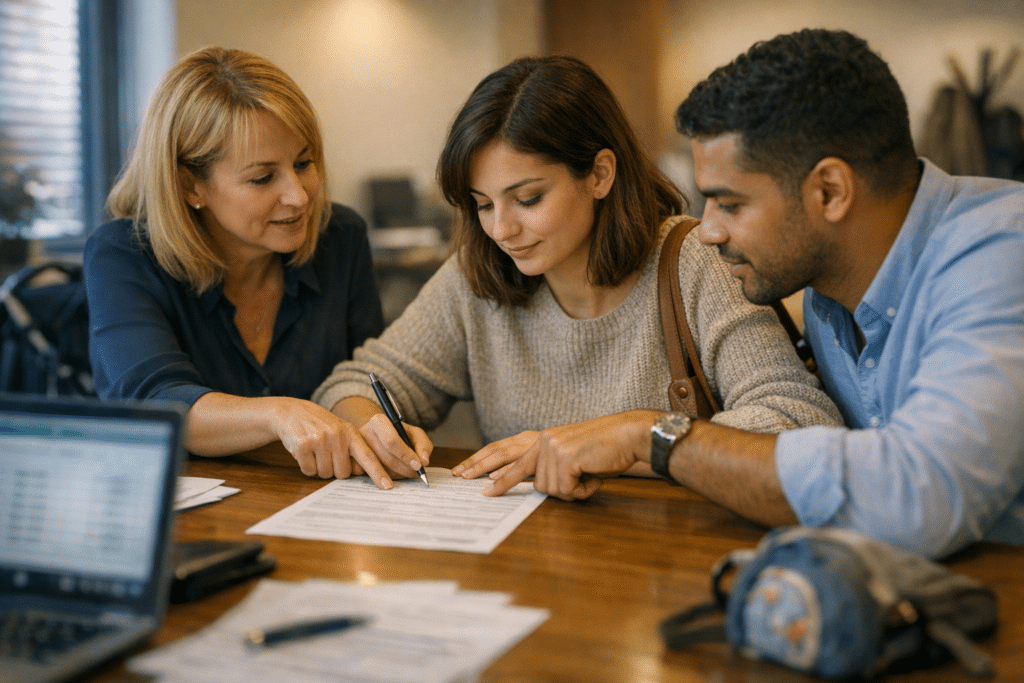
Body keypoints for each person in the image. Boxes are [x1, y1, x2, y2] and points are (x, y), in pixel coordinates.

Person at [484, 30, 1024, 559]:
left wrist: (650, 434)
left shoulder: (1002, 255)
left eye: (730, 204)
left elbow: (921, 497)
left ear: (829, 190)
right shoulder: (826, 290)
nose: (709, 229)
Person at [311, 55, 840, 480]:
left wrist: (636, 434)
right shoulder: (477, 274)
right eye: (483, 203)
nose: (501, 230)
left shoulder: (693, 262)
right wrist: (372, 424)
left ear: (600, 174)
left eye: (528, 198)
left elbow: (800, 422)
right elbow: (352, 384)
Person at [85, 47, 422, 487]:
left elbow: (361, 375)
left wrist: (371, 421)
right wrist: (281, 413)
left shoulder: (339, 236)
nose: (299, 196)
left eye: (304, 163)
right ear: (191, 185)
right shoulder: (122, 255)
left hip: (316, 507)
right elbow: (154, 403)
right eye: (263, 178)